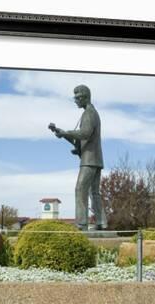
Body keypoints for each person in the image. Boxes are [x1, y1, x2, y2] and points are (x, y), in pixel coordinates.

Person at [49, 85, 107, 231]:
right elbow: (81, 140)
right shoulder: (90, 113)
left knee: (80, 189)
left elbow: (85, 133)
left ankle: (81, 224)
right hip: (95, 160)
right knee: (94, 192)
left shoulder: (89, 113)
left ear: (84, 97)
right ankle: (101, 222)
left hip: (89, 160)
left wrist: (67, 132)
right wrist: (63, 134)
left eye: (77, 97)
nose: (75, 100)